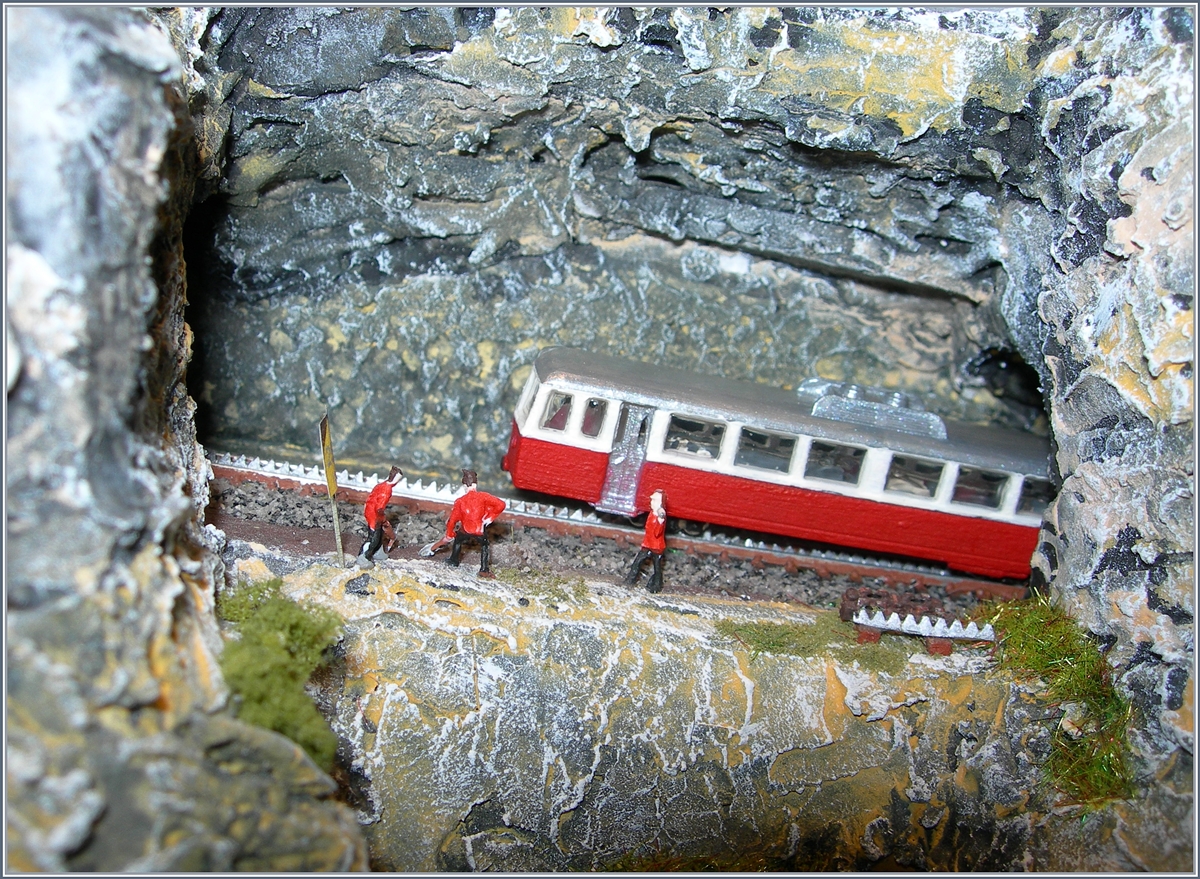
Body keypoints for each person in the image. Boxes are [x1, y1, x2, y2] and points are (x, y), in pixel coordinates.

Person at [425, 469, 507, 577]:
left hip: (466, 529)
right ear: (475, 484)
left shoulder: (460, 501)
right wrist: (489, 518)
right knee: (485, 546)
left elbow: (452, 520)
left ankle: (454, 560)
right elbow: (501, 505)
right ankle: (484, 569)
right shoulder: (483, 496)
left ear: (464, 486)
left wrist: (450, 533)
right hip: (479, 530)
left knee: (458, 541)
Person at [357, 465, 403, 568]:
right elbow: (379, 508)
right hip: (374, 515)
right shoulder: (387, 490)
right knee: (373, 538)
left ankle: (378, 552)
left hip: (370, 510)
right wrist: (383, 519)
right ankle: (363, 557)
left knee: (380, 534)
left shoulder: (381, 484)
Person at [626, 488, 667, 593]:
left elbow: (657, 533)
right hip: (647, 544)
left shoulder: (659, 517)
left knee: (657, 568)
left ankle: (656, 586)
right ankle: (630, 581)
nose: (651, 502)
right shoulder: (652, 514)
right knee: (638, 562)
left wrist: (660, 522)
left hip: (656, 547)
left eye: (654, 501)